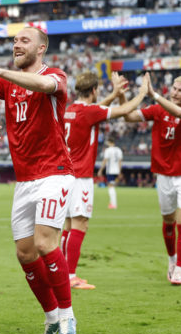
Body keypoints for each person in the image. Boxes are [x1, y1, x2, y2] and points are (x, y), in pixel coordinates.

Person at [0, 26, 78, 334]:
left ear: (41, 48)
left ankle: (69, 314)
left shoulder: (54, 76)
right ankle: (51, 318)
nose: (17, 45)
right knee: (24, 252)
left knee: (45, 243)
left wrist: (1, 73)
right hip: (25, 179)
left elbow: (43, 85)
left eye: (24, 40)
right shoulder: (6, 82)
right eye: (14, 40)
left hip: (55, 172)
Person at [62, 71, 149, 290]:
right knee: (80, 223)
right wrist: (142, 93)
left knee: (68, 224)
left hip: (64, 174)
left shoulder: (71, 110)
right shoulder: (90, 111)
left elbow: (96, 109)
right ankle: (70, 276)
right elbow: (125, 110)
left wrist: (114, 93)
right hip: (80, 175)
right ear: (93, 90)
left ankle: (62, 272)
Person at [123, 75, 181, 285]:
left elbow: (177, 112)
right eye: (174, 89)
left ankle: (180, 270)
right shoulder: (157, 110)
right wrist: (122, 95)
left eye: (180, 91)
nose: (175, 93)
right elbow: (128, 117)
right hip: (164, 175)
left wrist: (154, 94)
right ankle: (172, 260)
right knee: (168, 221)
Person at [98, 137, 124, 209]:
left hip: (110, 170)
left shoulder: (108, 150)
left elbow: (105, 160)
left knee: (110, 187)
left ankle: (113, 204)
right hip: (116, 171)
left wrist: (100, 170)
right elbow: (120, 162)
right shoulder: (119, 150)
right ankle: (112, 203)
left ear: (110, 142)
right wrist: (119, 171)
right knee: (112, 186)